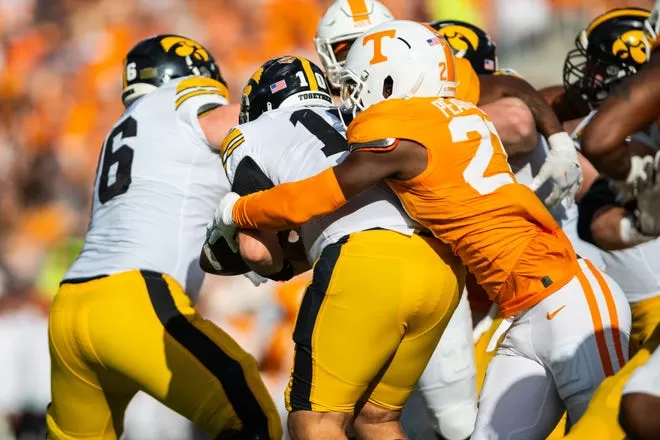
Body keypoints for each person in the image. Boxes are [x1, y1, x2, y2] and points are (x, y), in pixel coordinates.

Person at [210, 21, 631, 439]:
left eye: (360, 83)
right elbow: (504, 85)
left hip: (568, 294)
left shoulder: (404, 136)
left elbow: (316, 196)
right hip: (520, 309)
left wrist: (240, 210)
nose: (353, 98)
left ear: (394, 80)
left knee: (607, 431)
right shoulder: (462, 113)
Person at [204, 54, 464, 439]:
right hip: (440, 264)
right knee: (376, 420)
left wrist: (273, 265)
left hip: (365, 261)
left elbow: (256, 251)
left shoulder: (250, 133)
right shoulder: (360, 111)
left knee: (315, 421)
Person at [47, 34, 282, 439]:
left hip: (70, 307)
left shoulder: (122, 129)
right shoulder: (184, 97)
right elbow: (235, 122)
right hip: (133, 299)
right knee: (250, 413)